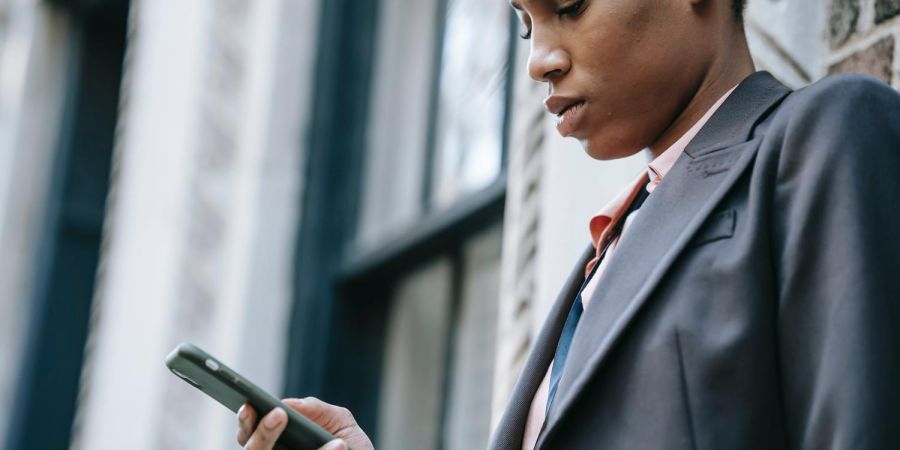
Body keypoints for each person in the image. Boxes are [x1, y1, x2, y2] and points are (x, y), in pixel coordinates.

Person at [236, 0, 900, 448]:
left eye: (571, 6)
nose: (539, 59)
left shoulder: (825, 135)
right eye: (526, 24)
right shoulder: (606, 251)